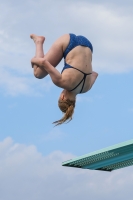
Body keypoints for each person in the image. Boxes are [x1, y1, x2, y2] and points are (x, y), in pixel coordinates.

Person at [30, 33, 98, 125]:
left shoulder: (87, 88)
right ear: (62, 97)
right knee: (38, 73)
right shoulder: (62, 82)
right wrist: (33, 61)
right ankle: (39, 41)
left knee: (42, 67)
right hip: (69, 42)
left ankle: (40, 44)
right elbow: (43, 62)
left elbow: (95, 74)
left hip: (87, 45)